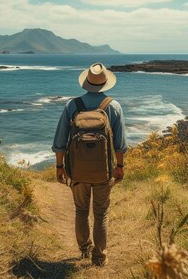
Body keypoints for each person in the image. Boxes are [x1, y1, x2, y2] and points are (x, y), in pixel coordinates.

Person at [52, 62, 127, 267]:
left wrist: (60, 168)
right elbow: (120, 144)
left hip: (77, 170)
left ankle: (85, 249)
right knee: (101, 213)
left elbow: (60, 141)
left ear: (86, 82)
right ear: (105, 84)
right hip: (104, 170)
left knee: (81, 210)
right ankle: (99, 257)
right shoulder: (113, 106)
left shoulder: (72, 105)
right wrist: (119, 167)